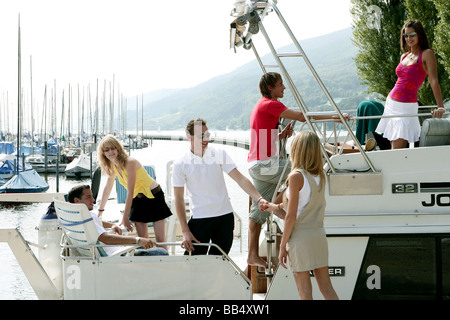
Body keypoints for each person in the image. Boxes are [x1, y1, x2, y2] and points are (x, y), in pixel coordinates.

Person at [247, 72, 349, 268]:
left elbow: (263, 140)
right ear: (270, 88)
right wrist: (335, 117)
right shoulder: (271, 104)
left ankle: (252, 253)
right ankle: (277, 209)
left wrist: (281, 135)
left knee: (257, 211)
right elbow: (302, 116)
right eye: (280, 85)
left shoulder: (259, 106)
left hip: (256, 164)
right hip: (266, 165)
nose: (283, 88)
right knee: (301, 173)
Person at [172, 118, 268, 256]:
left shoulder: (219, 153)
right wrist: (185, 231)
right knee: (193, 267)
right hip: (199, 220)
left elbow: (239, 178)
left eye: (207, 134)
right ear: (189, 137)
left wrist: (259, 199)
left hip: (224, 219)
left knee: (219, 264)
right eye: (201, 135)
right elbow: (178, 199)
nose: (206, 139)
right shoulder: (180, 163)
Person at [265, 131, 338, 300]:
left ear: (298, 150)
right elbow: (303, 202)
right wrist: (273, 206)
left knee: (304, 292)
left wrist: (282, 246)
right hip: (318, 235)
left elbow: (291, 216)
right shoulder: (321, 175)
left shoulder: (296, 176)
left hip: (300, 238)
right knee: (327, 288)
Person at [376, 20, 446, 149]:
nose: (409, 38)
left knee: (397, 150)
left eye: (412, 34)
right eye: (406, 35)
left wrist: (440, 106)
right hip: (391, 104)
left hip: (405, 107)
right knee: (393, 147)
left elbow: (434, 80)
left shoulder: (427, 54)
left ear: (420, 34)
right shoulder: (404, 56)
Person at [97, 135, 172, 249]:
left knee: (160, 240)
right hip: (138, 199)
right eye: (106, 149)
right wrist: (100, 212)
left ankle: (166, 263)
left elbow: (130, 192)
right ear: (103, 153)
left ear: (118, 148)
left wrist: (125, 217)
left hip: (154, 196)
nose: (110, 151)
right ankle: (148, 263)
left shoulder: (130, 162)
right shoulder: (113, 166)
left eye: (113, 148)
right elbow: (107, 188)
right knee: (143, 239)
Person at [68, 185, 168, 256]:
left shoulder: (76, 216)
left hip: (105, 253)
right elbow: (107, 239)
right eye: (88, 197)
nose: (93, 200)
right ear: (77, 200)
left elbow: (97, 223)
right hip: (117, 255)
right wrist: (138, 240)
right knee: (162, 252)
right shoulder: (89, 216)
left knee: (147, 247)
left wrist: (111, 225)